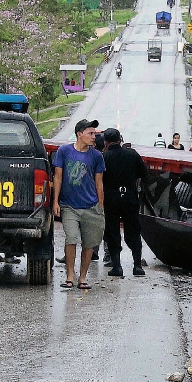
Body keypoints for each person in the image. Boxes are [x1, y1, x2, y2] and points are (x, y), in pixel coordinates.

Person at [52, 119, 106, 290]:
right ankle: (70, 275)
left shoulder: (97, 156)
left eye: (95, 134)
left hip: (91, 206)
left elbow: (99, 183)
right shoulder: (64, 151)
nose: (94, 137)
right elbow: (58, 177)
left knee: (89, 244)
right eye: (90, 133)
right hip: (69, 206)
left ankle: (82, 277)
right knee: (71, 238)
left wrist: (100, 206)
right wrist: (56, 202)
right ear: (79, 134)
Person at [101, 127, 148, 278]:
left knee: (112, 231)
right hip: (129, 197)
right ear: (120, 139)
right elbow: (143, 173)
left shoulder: (104, 157)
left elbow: (99, 179)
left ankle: (117, 266)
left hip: (111, 199)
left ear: (106, 142)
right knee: (133, 230)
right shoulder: (132, 154)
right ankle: (137, 266)